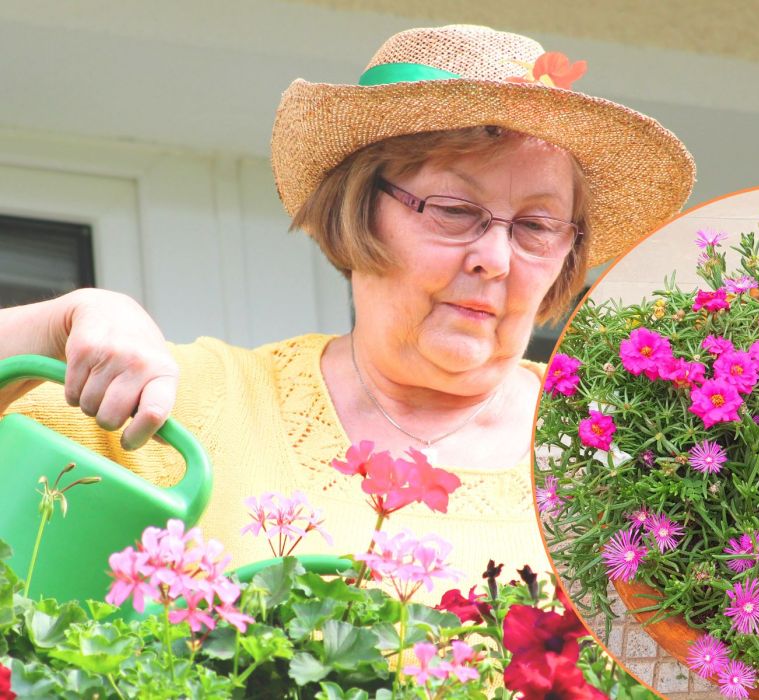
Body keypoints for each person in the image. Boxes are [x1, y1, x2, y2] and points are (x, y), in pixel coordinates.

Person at [0, 24, 694, 593]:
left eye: (538, 226)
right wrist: (55, 321)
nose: (497, 258)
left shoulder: (630, 457)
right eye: (455, 211)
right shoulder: (200, 403)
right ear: (361, 213)